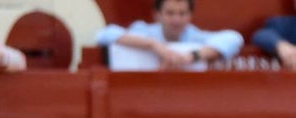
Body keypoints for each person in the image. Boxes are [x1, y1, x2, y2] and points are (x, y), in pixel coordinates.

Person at [95, 0, 243, 70]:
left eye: (182, 14)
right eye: (170, 13)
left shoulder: (194, 36)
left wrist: (192, 56)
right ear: (157, 15)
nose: (176, 20)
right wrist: (153, 45)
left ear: (190, 16)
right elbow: (104, 34)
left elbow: (234, 38)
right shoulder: (145, 32)